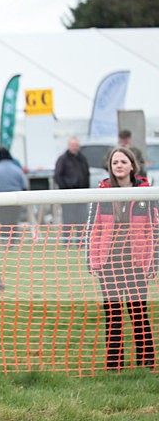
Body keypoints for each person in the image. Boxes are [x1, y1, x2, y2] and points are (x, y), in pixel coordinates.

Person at [87, 147, 156, 371]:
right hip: (109, 262)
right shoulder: (101, 193)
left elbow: (155, 229)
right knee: (113, 314)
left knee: (138, 312)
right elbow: (93, 228)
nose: (119, 166)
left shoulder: (146, 193)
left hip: (137, 262)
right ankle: (114, 365)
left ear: (132, 166)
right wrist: (93, 261)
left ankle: (146, 363)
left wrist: (153, 262)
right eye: (115, 162)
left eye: (123, 162)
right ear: (110, 166)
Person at [0, 146, 28, 241]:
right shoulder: (17, 169)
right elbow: (25, 185)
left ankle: (5, 240)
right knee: (14, 221)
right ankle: (13, 240)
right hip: (17, 199)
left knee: (4, 221)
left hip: (1, 200)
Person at [53, 137, 90, 244]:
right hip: (68, 195)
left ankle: (81, 241)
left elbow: (86, 174)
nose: (75, 148)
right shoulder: (62, 159)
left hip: (82, 195)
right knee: (68, 219)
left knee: (82, 219)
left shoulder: (82, 159)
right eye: (73, 145)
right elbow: (58, 176)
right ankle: (67, 241)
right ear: (69, 146)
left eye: (76, 145)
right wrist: (65, 189)